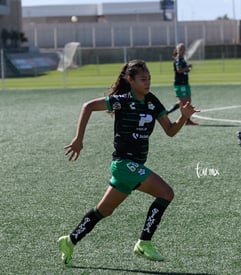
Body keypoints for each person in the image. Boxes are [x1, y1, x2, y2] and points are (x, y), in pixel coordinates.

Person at [58, 59, 199, 265]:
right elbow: (87, 106)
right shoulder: (121, 100)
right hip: (124, 164)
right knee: (166, 193)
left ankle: (69, 240)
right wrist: (78, 139)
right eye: (143, 79)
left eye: (149, 78)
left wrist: (183, 118)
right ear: (130, 80)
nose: (147, 82)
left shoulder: (152, 102)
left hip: (132, 168)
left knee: (103, 211)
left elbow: (170, 131)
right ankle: (144, 242)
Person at [166, 43, 198, 125]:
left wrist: (187, 69)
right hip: (180, 84)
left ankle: (186, 120)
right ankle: (183, 119)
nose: (183, 50)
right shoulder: (178, 59)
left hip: (185, 83)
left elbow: (183, 71)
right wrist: (187, 68)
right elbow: (179, 70)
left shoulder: (182, 59)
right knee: (184, 102)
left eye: (183, 49)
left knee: (187, 101)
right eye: (181, 49)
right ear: (177, 50)